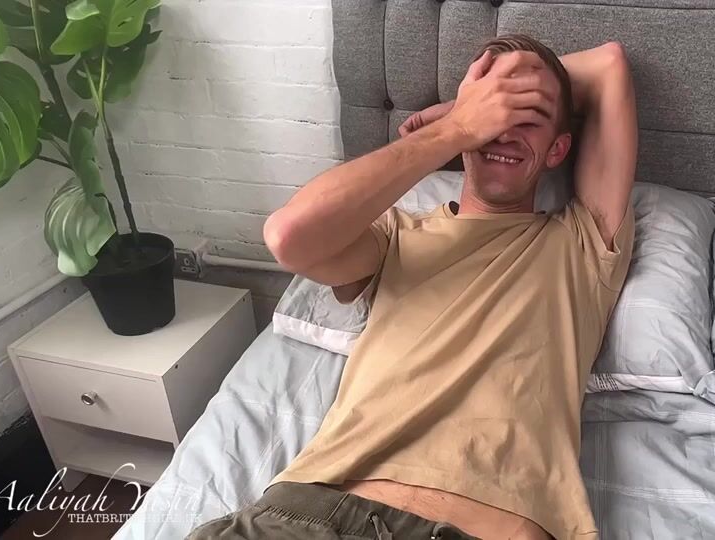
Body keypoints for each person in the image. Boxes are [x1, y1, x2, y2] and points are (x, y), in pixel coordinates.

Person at [188, 34, 638, 540]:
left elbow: (609, 65)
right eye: (494, 109)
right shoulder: (393, 235)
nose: (504, 129)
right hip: (309, 513)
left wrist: (472, 103)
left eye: (527, 114)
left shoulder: (581, 245)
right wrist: (458, 124)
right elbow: (288, 235)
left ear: (558, 148)